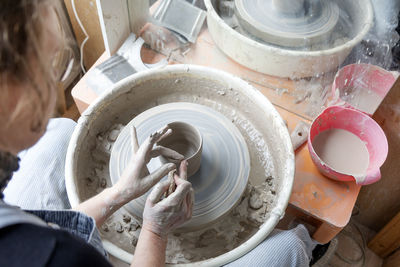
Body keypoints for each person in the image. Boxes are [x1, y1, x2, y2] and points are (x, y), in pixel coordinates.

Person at [0, 1, 317, 266]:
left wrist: (119, 193)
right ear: (9, 95)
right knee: (289, 246)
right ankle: (307, 246)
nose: (54, 83)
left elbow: (40, 225)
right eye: (49, 66)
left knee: (59, 132)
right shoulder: (56, 256)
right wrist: (154, 230)